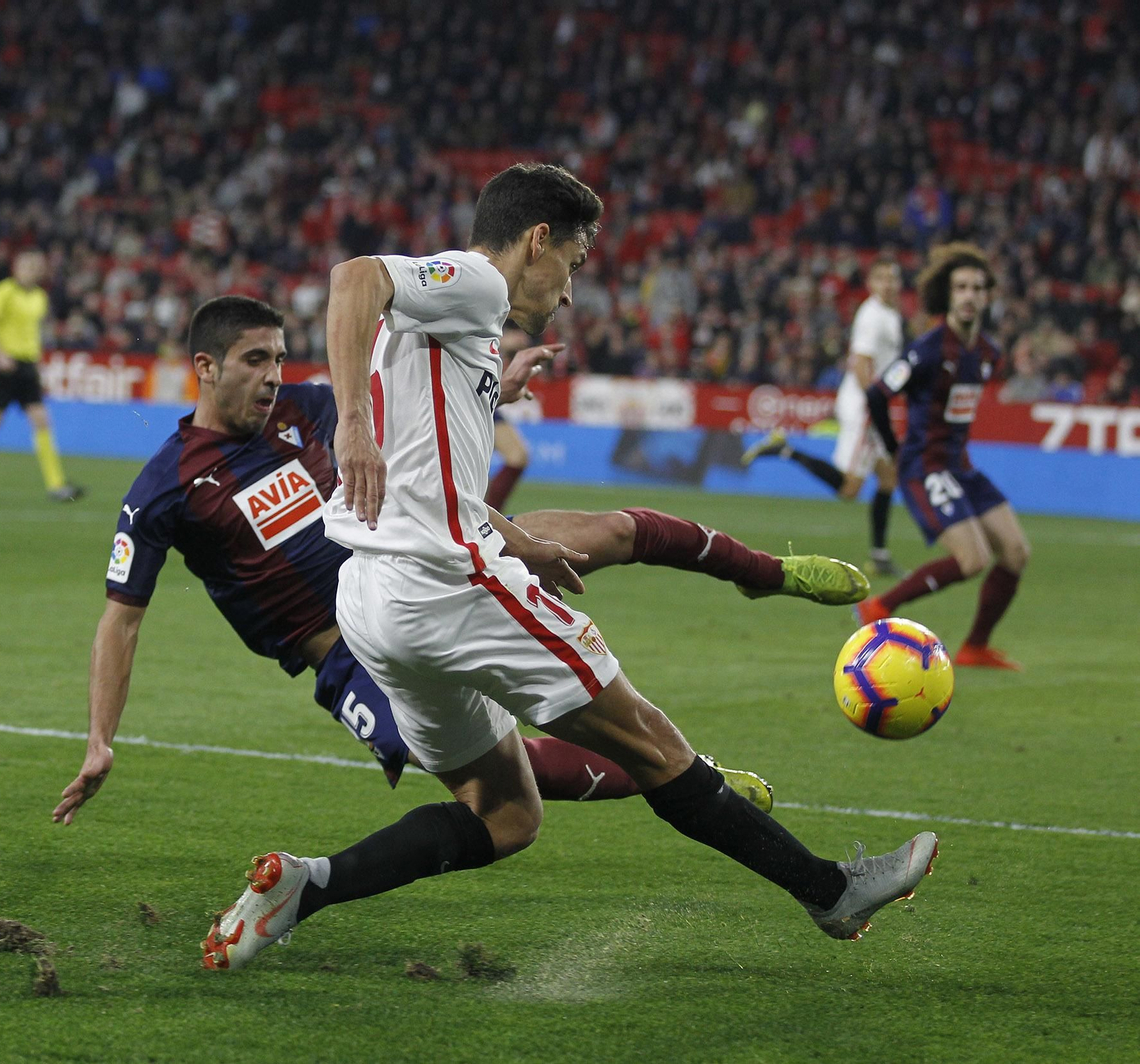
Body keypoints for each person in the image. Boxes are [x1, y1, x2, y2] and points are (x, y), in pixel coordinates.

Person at [202, 163, 935, 972]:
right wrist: (351, 428)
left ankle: (306, 887)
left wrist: (516, 529)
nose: (572, 291)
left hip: (371, 604)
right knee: (655, 747)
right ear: (537, 240)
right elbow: (352, 278)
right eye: (575, 264)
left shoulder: (456, 330)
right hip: (446, 591)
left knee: (506, 813)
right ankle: (830, 891)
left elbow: (433, 473)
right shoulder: (478, 281)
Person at [53, 294, 871, 831]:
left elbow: (414, 428)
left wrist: (494, 389)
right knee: (508, 782)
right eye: (254, 362)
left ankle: (768, 575)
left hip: (432, 550)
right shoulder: (165, 487)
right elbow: (120, 621)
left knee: (614, 531)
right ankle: (693, 776)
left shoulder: (311, 409)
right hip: (345, 651)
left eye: (278, 357)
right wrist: (100, 740)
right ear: (205, 369)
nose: (274, 378)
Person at [856, 243, 1029, 670]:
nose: (969, 295)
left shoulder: (987, 353)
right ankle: (879, 605)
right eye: (961, 287)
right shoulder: (929, 349)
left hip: (961, 466)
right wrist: (895, 451)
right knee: (973, 560)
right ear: (948, 296)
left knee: (1017, 552)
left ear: (987, 295)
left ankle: (975, 647)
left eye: (977, 287)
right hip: (924, 466)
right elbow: (878, 394)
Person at [741, 259, 908, 575]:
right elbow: (860, 365)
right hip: (865, 407)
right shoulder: (873, 316)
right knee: (849, 490)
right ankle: (784, 449)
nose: (889, 284)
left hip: (872, 404)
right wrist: (875, 406)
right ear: (871, 283)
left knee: (888, 476)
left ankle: (881, 555)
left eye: (893, 278)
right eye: (882, 278)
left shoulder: (890, 314)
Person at [0, 249, 84, 501]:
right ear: (16, 268)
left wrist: (37, 360)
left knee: (41, 419)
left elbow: (33, 332)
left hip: (28, 365)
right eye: (27, 266)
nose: (31, 271)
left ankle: (56, 485)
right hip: (6, 364)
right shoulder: (3, 292)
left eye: (35, 267)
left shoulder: (40, 298)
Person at [485, 324, 554, 511]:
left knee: (517, 456)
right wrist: (501, 340)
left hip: (483, 395)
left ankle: (487, 520)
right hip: (455, 392)